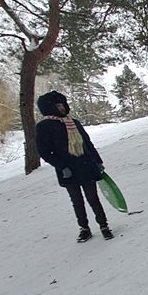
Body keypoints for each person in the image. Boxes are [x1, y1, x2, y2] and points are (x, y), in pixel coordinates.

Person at [35, 90, 114, 242]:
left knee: (93, 198)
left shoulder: (74, 123)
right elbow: (44, 151)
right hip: (68, 171)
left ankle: (104, 225)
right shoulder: (44, 126)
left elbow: (87, 144)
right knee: (76, 201)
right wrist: (61, 166)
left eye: (63, 104)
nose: (62, 108)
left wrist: (98, 162)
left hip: (86, 166)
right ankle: (84, 228)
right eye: (58, 105)